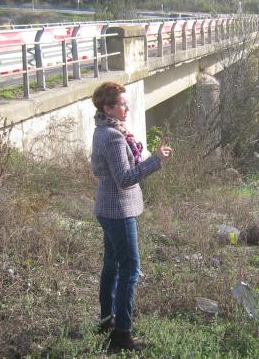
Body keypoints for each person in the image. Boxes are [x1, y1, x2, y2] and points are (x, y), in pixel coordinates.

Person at [91, 81, 172, 351]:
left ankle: (107, 320)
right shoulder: (113, 137)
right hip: (118, 211)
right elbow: (125, 178)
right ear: (109, 107)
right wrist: (156, 161)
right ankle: (122, 334)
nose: (128, 107)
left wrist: (150, 158)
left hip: (109, 208)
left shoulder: (105, 129)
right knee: (130, 269)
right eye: (123, 103)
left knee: (112, 265)